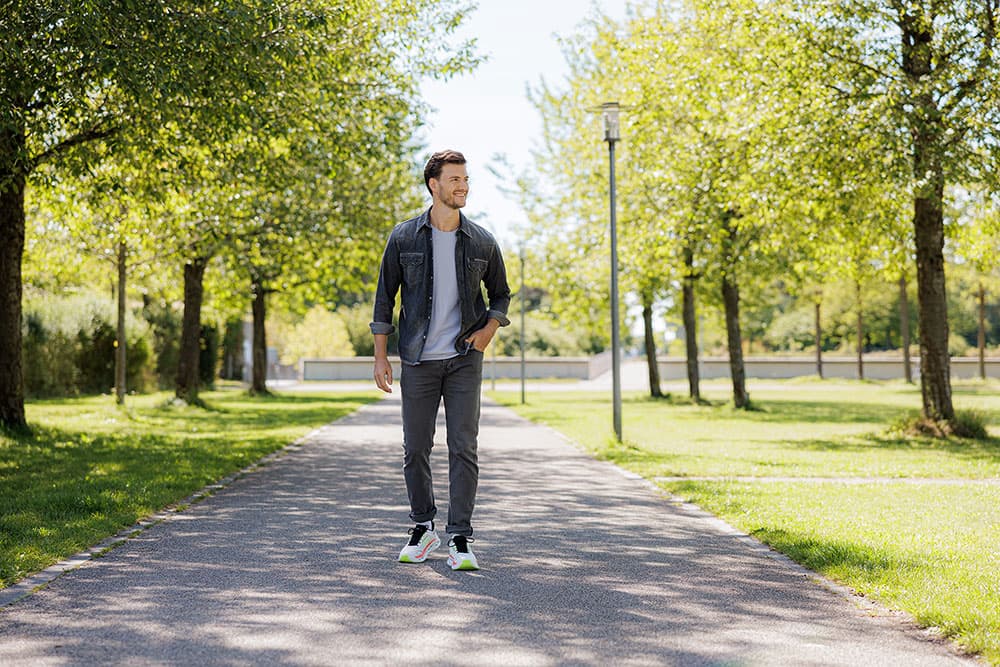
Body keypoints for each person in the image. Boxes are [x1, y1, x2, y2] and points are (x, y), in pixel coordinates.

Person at [370, 150, 511, 571]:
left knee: (463, 446)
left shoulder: (482, 239)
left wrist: (488, 331)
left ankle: (461, 537)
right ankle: (422, 527)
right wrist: (381, 357)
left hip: (465, 359)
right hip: (418, 358)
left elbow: (501, 294)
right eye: (454, 179)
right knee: (415, 448)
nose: (462, 186)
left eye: (465, 179)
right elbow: (383, 299)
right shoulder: (404, 237)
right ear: (434, 184)